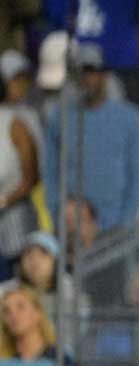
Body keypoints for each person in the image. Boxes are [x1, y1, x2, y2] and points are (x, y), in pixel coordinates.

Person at [43, 44, 139, 232]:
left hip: (117, 226)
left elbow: (138, 174)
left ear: (104, 75)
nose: (86, 78)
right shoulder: (59, 117)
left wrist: (126, 222)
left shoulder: (131, 117)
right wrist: (57, 213)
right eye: (80, 72)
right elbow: (51, 171)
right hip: (72, 227)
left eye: (91, 71)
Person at [0, 62, 39, 282]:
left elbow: (31, 177)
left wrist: (4, 200)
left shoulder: (14, 124)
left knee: (18, 280)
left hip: (15, 217)